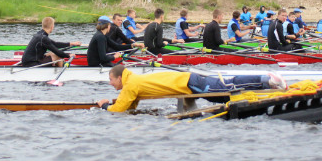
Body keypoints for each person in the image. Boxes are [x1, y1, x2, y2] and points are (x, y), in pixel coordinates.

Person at [96, 64, 287, 112]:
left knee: (227, 86)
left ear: (120, 78)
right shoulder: (132, 82)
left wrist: (104, 106)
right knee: (222, 97)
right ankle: (264, 89)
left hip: (188, 82)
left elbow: (119, 109)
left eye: (111, 80)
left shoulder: (130, 85)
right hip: (188, 82)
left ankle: (266, 79)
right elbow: (129, 106)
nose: (110, 83)